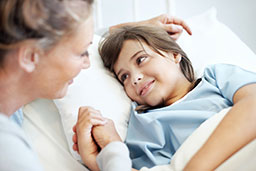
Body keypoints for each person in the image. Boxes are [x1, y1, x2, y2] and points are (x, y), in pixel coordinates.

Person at [0, 0, 192, 170]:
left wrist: (136, 28)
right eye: (82, 52)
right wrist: (112, 150)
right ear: (30, 56)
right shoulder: (7, 148)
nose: (88, 63)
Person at [73, 25, 256, 171]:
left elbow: (253, 104)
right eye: (124, 77)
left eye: (141, 59)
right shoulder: (143, 123)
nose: (135, 78)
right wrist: (106, 154)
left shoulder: (216, 77)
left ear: (175, 54)